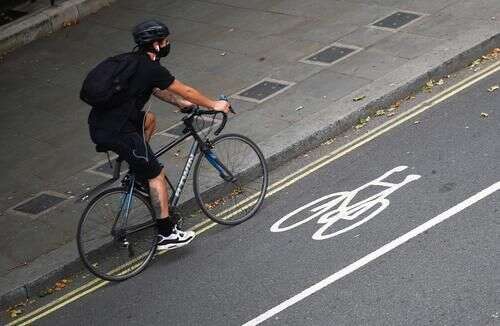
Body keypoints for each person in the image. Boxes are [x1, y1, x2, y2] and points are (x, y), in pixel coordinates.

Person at [88, 20, 230, 250]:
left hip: (103, 124)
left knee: (150, 119)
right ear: (155, 44)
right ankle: (167, 234)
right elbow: (186, 89)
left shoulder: (134, 62)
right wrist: (214, 104)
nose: (167, 44)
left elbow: (159, 90)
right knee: (157, 174)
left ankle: (139, 168)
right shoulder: (151, 68)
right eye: (164, 41)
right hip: (118, 131)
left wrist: (183, 104)